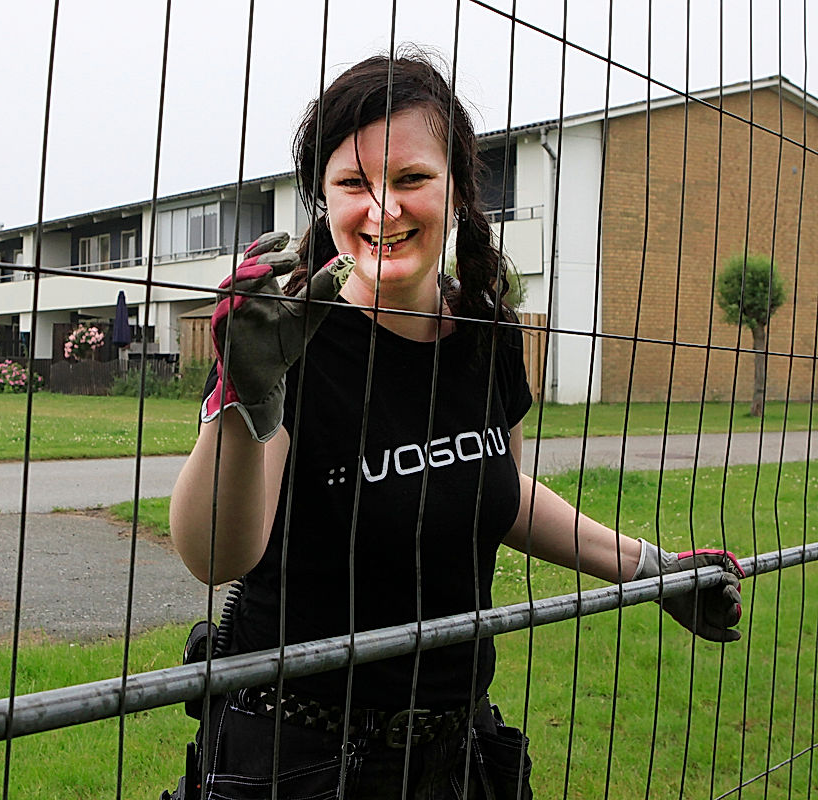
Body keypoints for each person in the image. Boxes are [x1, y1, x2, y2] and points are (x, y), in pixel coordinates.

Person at [167, 47, 745, 800]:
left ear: (459, 190)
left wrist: (651, 570)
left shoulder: (485, 330)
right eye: (352, 184)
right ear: (324, 197)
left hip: (454, 752)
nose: (383, 210)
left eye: (411, 179)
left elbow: (487, 484)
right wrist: (246, 398)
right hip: (297, 759)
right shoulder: (283, 337)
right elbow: (216, 555)